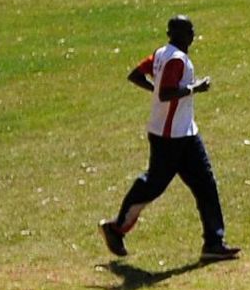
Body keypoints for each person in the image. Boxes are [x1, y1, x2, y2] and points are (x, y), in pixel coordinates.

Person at [99, 16, 240, 262]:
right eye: (190, 30)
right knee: (153, 185)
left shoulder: (161, 53)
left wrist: (156, 90)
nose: (194, 34)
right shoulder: (175, 59)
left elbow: (136, 75)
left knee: (206, 184)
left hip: (185, 132)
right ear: (178, 34)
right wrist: (194, 88)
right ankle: (115, 228)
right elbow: (165, 94)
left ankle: (214, 242)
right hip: (168, 136)